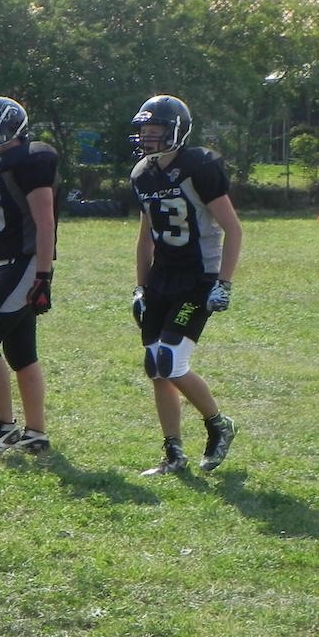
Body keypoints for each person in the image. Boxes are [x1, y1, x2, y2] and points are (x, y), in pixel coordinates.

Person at [128, 95, 241, 476]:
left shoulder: (199, 166)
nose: (147, 136)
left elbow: (233, 229)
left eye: (155, 129)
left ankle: (218, 425)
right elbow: (145, 238)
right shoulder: (143, 173)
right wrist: (140, 287)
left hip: (198, 276)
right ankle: (174, 453)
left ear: (176, 129)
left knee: (170, 361)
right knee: (155, 366)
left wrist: (223, 283)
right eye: (144, 129)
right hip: (162, 277)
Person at [0, 96, 58, 459]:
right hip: (4, 261)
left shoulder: (29, 161)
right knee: (21, 352)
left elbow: (45, 222)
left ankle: (5, 427)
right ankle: (36, 432)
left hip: (26, 262)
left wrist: (44, 275)